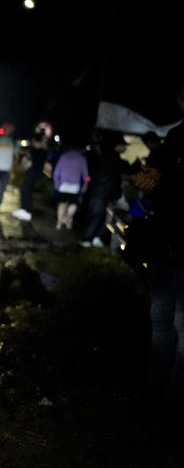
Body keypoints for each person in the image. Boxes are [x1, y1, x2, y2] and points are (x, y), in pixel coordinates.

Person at [133, 90, 184, 407]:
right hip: (166, 241)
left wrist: (164, 182)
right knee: (162, 319)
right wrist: (148, 182)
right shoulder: (177, 137)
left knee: (178, 322)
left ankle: (171, 401)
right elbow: (153, 186)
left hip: (175, 244)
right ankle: (157, 395)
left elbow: (164, 182)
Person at [80, 135, 133, 247]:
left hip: (101, 192)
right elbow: (125, 169)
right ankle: (86, 239)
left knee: (99, 216)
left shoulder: (106, 156)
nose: (125, 148)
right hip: (101, 192)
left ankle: (92, 238)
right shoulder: (113, 158)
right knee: (96, 215)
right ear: (118, 146)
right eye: (124, 146)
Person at [12, 132, 49, 222]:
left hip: (31, 173)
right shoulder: (43, 151)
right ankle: (25, 211)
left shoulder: (35, 151)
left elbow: (28, 163)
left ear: (35, 141)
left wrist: (25, 163)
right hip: (36, 174)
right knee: (26, 190)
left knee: (25, 191)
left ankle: (26, 211)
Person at [52, 144, 89, 230]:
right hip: (75, 186)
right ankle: (67, 218)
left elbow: (57, 171)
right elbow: (85, 174)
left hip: (63, 184)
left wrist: (56, 182)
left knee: (62, 203)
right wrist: (85, 184)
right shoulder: (82, 159)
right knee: (73, 204)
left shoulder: (64, 157)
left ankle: (59, 223)